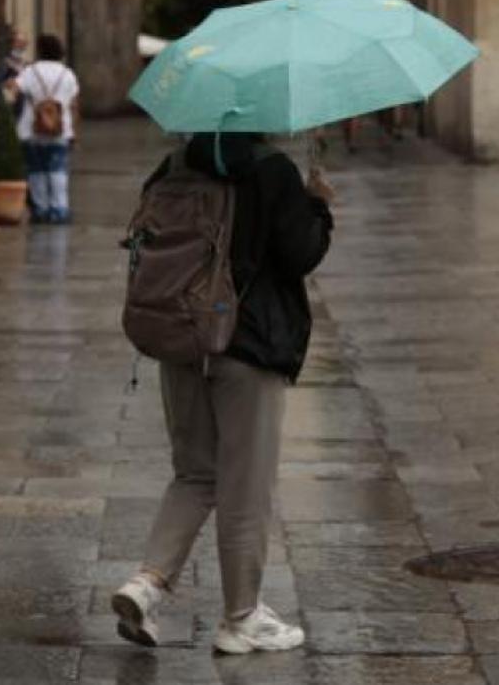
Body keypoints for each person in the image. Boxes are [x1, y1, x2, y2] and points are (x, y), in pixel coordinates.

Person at [112, 132, 335, 655]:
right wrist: (319, 206)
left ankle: (146, 583)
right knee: (246, 485)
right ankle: (241, 618)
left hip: (181, 337)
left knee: (194, 473)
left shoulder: (174, 164)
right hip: (247, 344)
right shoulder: (271, 169)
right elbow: (300, 253)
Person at [13, 34, 80, 224]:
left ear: (40, 51)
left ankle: (40, 209)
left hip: (31, 129)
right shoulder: (67, 74)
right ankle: (59, 208)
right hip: (60, 130)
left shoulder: (30, 72)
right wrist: (73, 130)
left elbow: (14, 88)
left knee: (36, 170)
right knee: (57, 170)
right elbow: (74, 104)